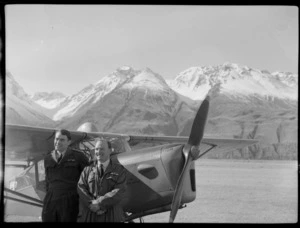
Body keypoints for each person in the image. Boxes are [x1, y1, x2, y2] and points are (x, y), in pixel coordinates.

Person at [42, 129, 89, 222]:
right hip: (51, 199)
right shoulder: (48, 158)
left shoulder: (79, 157)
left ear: (69, 142)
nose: (58, 142)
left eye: (62, 140)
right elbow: (47, 180)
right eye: (56, 139)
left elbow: (88, 180)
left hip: (70, 200)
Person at [77, 138, 127, 222]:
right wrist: (92, 204)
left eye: (102, 149)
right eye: (96, 149)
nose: (98, 152)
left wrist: (100, 203)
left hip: (112, 216)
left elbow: (119, 191)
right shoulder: (87, 170)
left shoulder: (119, 170)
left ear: (110, 150)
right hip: (91, 216)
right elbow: (81, 188)